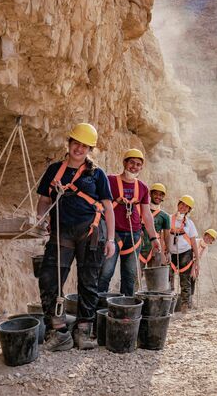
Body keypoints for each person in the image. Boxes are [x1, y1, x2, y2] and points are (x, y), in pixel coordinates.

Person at [36, 123, 116, 351]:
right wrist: (41, 218)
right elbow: (44, 200)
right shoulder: (54, 170)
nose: (79, 149)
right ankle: (59, 330)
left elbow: (108, 208)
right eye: (76, 143)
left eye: (84, 146)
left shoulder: (97, 174)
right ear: (69, 143)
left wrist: (110, 239)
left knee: (88, 283)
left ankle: (84, 331)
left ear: (90, 150)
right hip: (61, 233)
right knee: (49, 279)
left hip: (90, 233)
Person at [97, 149, 160, 296]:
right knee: (105, 273)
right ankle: (97, 308)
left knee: (129, 276)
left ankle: (126, 310)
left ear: (141, 167)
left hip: (134, 235)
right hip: (113, 234)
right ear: (124, 162)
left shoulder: (143, 188)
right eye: (131, 162)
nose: (134, 167)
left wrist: (153, 238)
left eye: (138, 164)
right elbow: (99, 205)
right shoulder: (110, 181)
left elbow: (146, 214)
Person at [167, 195, 199, 312]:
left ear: (189, 210)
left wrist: (197, 260)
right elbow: (163, 235)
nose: (184, 207)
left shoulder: (189, 224)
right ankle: (168, 306)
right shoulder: (169, 218)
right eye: (182, 204)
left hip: (185, 253)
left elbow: (193, 242)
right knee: (168, 280)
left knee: (185, 281)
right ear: (178, 204)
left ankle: (184, 307)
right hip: (170, 253)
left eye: (187, 206)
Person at [142, 183, 171, 267]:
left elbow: (166, 236)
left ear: (163, 197)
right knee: (135, 277)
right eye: (156, 194)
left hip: (155, 249)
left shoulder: (165, 216)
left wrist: (168, 252)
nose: (158, 197)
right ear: (150, 194)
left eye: (160, 195)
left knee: (154, 278)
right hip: (140, 248)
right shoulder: (142, 209)